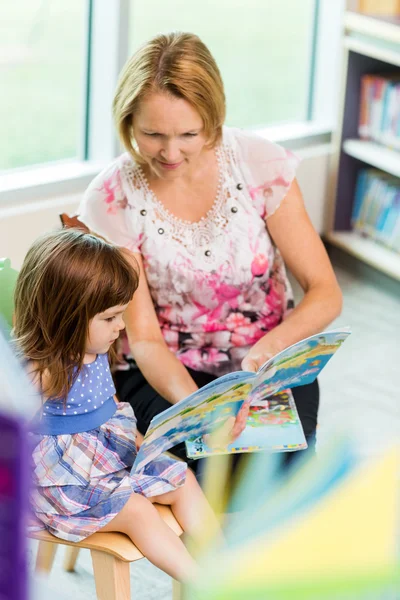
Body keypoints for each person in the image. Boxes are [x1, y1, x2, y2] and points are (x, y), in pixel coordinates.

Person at [78, 32, 343, 467]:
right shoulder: (111, 197)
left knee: (281, 467)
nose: (170, 151)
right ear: (127, 121)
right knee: (200, 467)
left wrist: (263, 356)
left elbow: (325, 292)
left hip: (266, 361)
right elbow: (143, 338)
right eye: (152, 134)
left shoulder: (259, 164)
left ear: (213, 117)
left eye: (188, 133)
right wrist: (200, 406)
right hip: (165, 371)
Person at [14, 228, 219, 583]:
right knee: (138, 511)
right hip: (64, 482)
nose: (120, 326)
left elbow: (111, 407)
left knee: (182, 476)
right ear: (66, 315)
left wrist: (142, 442)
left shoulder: (94, 348)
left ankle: (227, 562)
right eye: (110, 318)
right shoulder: (44, 372)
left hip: (106, 456)